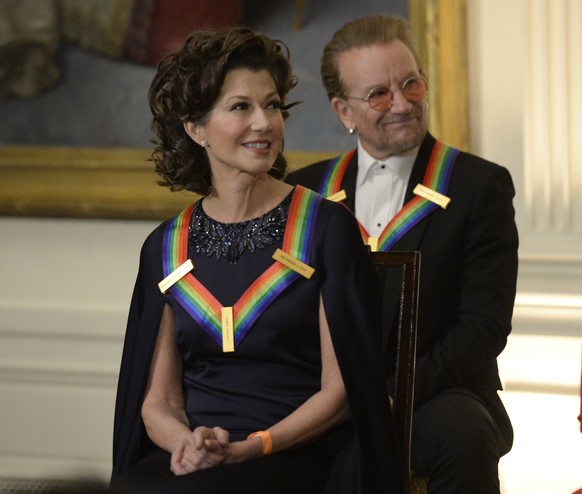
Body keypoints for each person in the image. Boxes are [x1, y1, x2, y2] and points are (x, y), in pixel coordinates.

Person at [110, 26, 402, 494]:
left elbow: (341, 391)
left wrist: (252, 447)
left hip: (298, 453)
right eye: (241, 107)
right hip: (203, 454)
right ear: (195, 128)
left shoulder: (326, 228)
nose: (265, 124)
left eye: (272, 105)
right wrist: (191, 446)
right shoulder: (165, 247)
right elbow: (158, 403)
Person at [286, 14, 519, 494]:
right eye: (378, 94)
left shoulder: (479, 186)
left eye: (410, 84)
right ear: (343, 111)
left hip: (437, 393)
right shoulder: (304, 193)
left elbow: (483, 327)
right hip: (328, 393)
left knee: (464, 436)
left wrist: (391, 393)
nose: (401, 104)